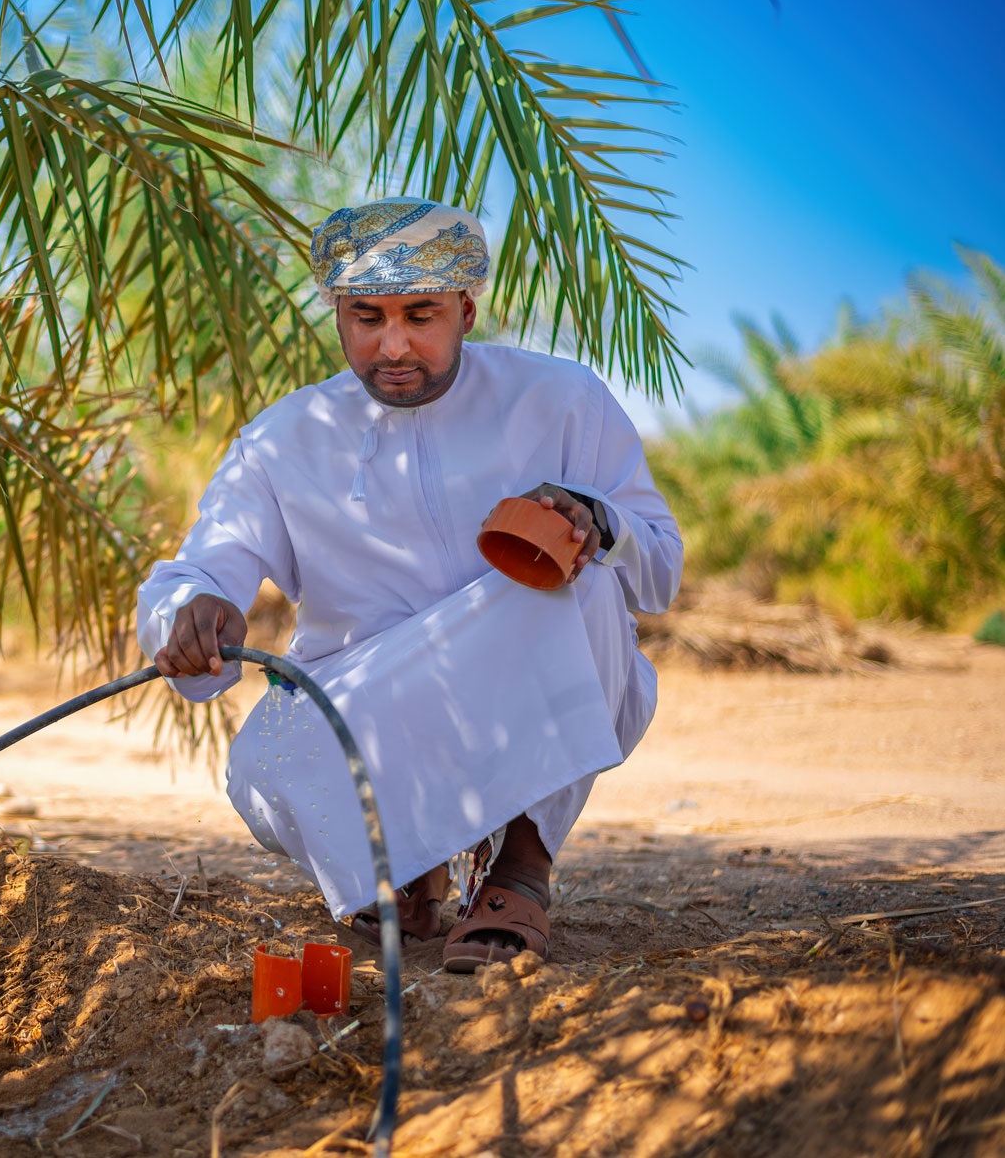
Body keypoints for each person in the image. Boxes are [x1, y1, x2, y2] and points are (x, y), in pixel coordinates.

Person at [137, 197, 682, 971]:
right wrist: (191, 611)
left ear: (466, 307)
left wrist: (599, 518)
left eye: (420, 315)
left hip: (522, 673)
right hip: (368, 690)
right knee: (265, 762)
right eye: (366, 317)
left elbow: (659, 566)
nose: (392, 346)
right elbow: (198, 567)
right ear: (336, 312)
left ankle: (520, 866)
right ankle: (410, 865)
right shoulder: (282, 439)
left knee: (589, 588)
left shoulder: (560, 399)